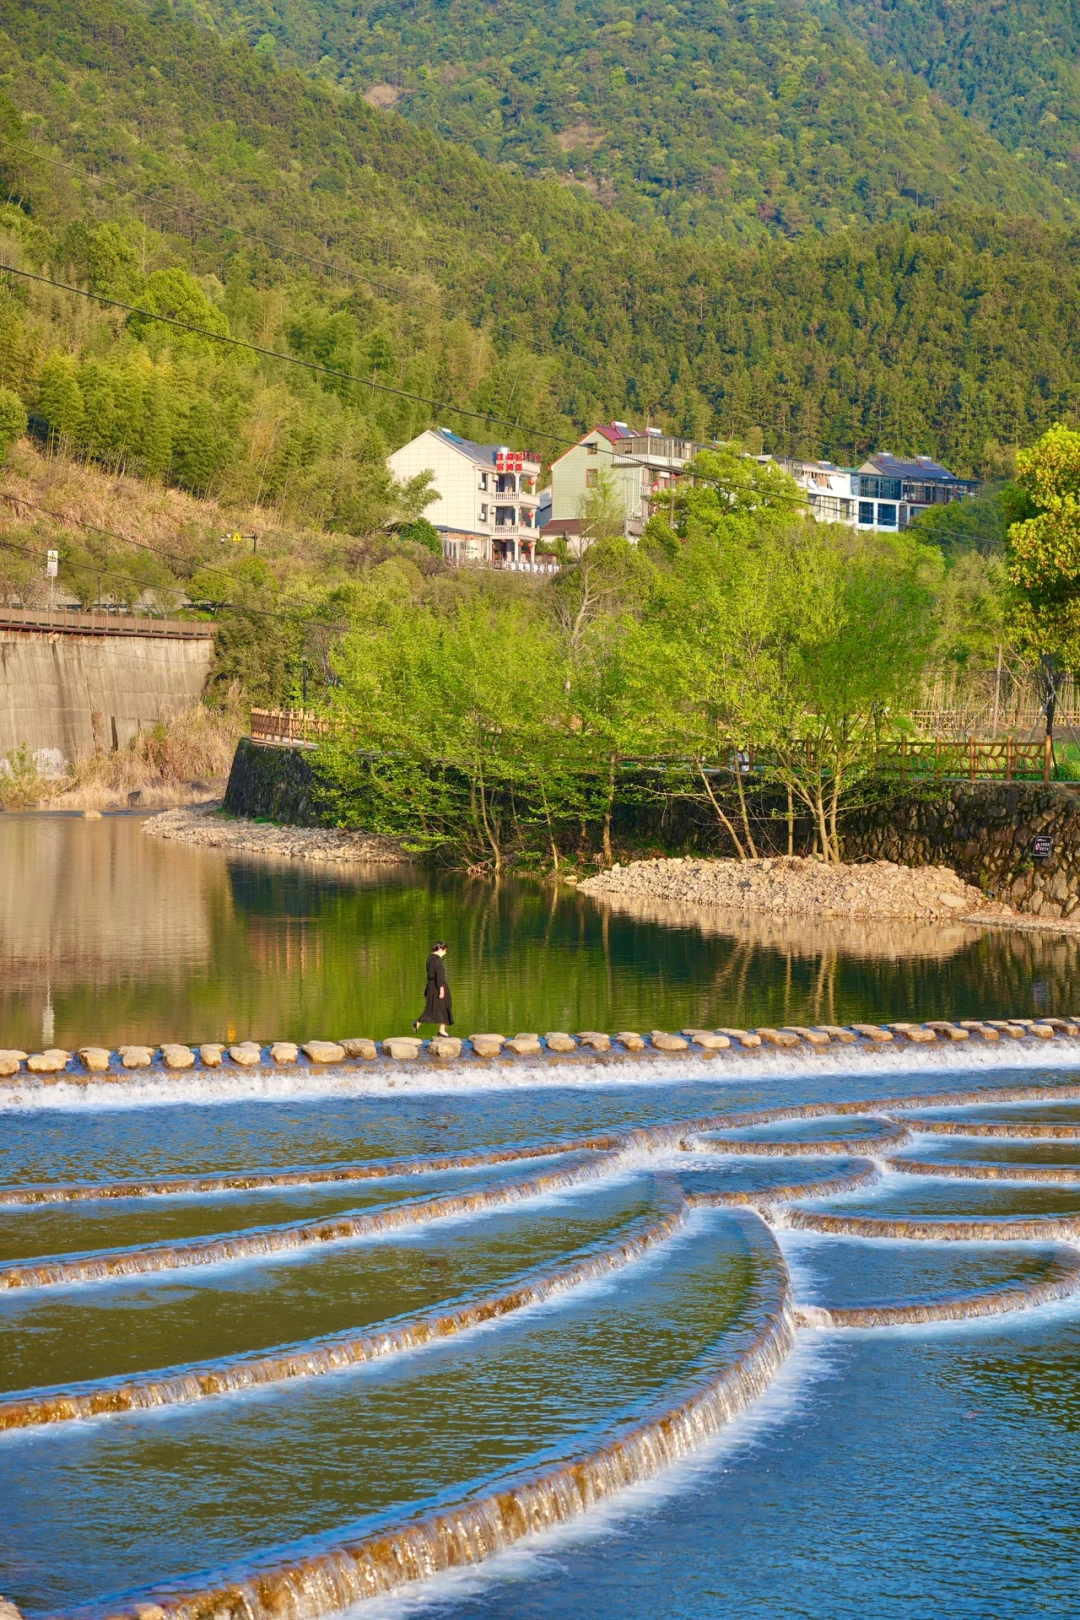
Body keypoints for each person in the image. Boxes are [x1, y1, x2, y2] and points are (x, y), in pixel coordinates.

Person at [413, 942, 453, 1036]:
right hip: (438, 986)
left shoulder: (429, 959)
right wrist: (441, 988)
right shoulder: (438, 960)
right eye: (444, 950)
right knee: (445, 1006)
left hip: (431, 986)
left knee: (431, 1008)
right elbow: (439, 975)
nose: (445, 953)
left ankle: (418, 1023)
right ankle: (441, 1030)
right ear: (440, 949)